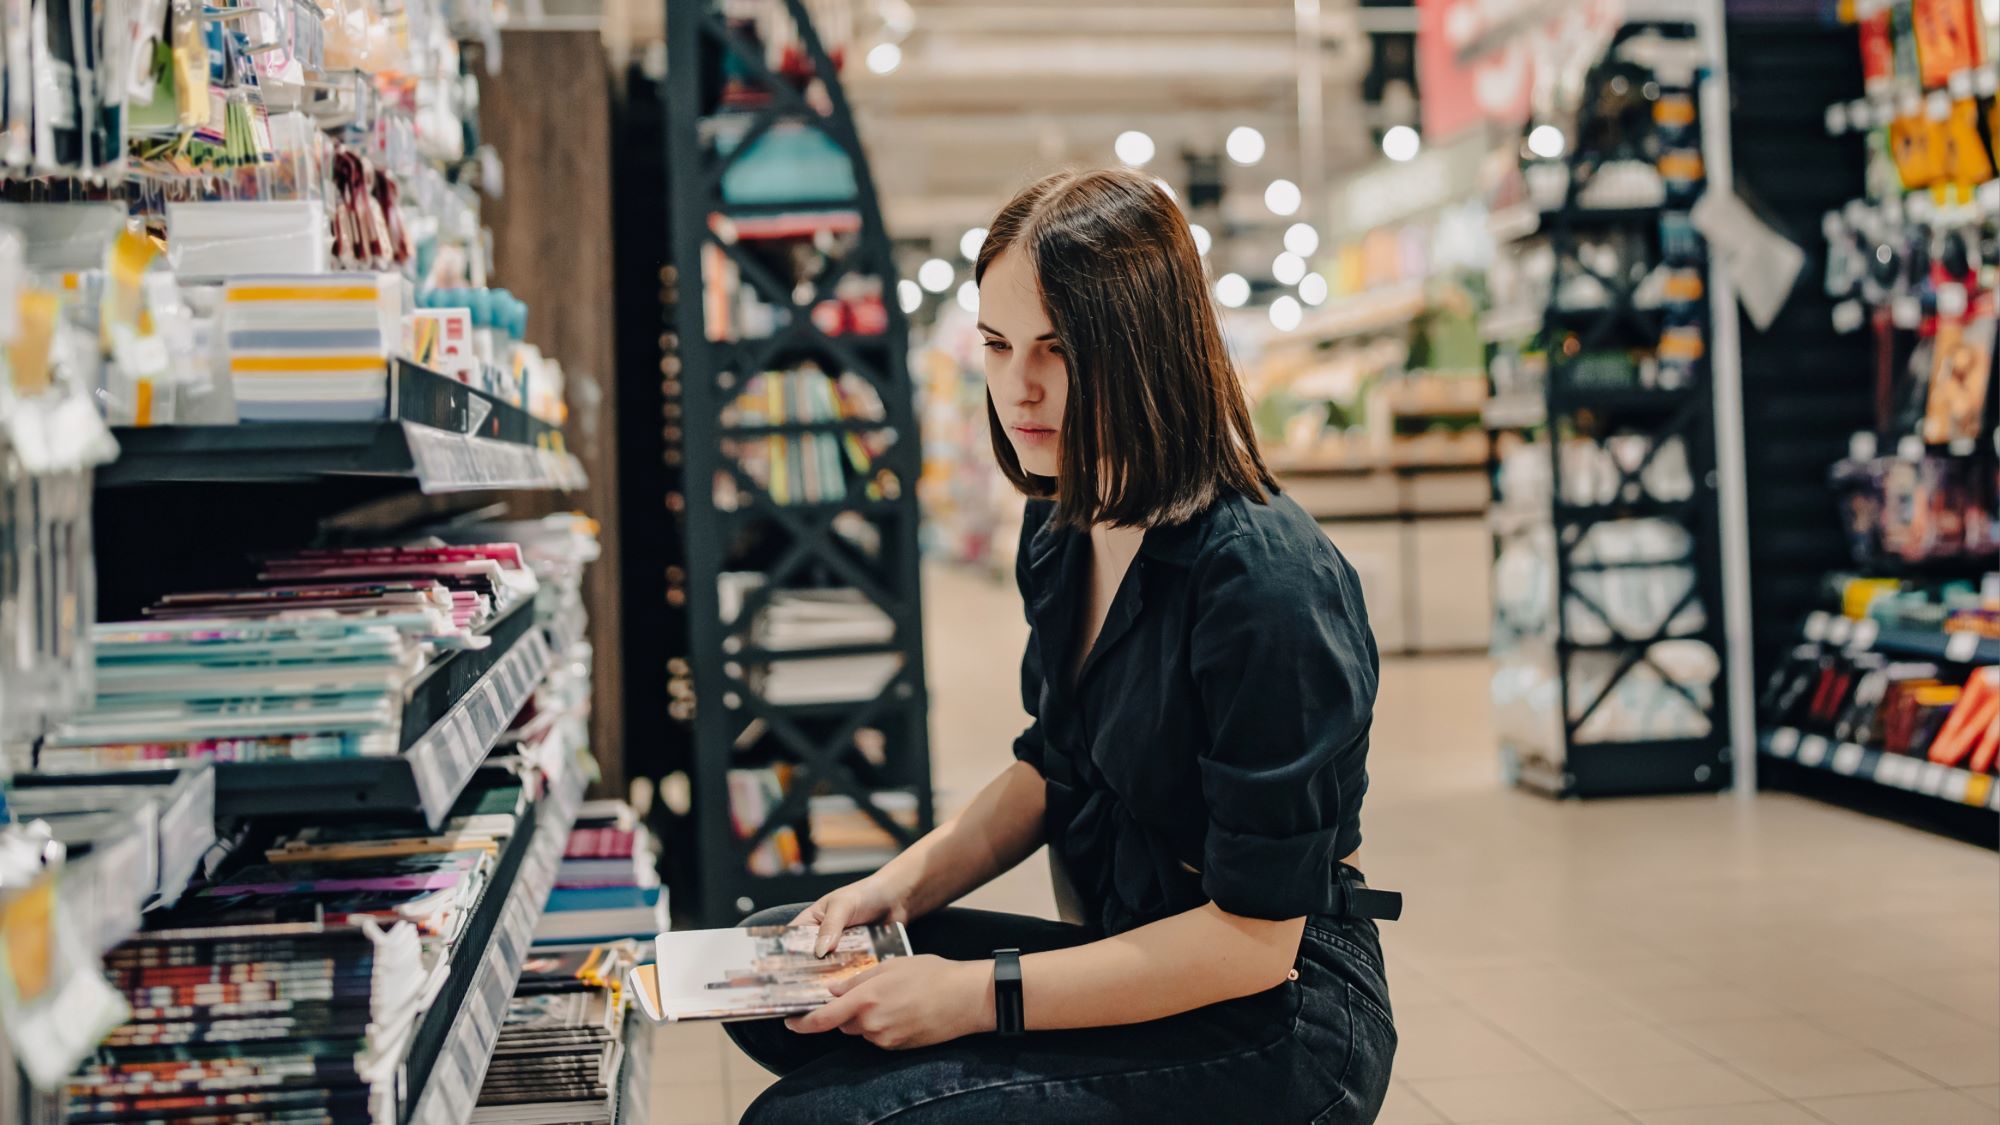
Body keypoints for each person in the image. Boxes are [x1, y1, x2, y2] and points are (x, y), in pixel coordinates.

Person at [728, 167, 1400, 1124]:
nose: (1019, 386)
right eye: (998, 346)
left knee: (811, 1118)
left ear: (1144, 350)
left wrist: (972, 996)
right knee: (785, 970)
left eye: (1059, 349)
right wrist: (892, 892)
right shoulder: (1065, 527)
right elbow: (1052, 766)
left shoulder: (1263, 582)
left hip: (1276, 1017)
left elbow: (1254, 941)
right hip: (1138, 944)